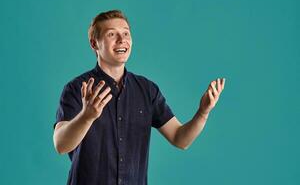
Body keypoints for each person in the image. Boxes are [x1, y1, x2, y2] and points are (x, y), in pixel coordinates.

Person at [53, 10, 225, 185]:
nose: (122, 40)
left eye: (126, 33)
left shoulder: (147, 89)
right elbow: (61, 144)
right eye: (111, 34)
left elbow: (180, 139)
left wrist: (203, 112)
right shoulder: (76, 88)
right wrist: (86, 116)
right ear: (94, 44)